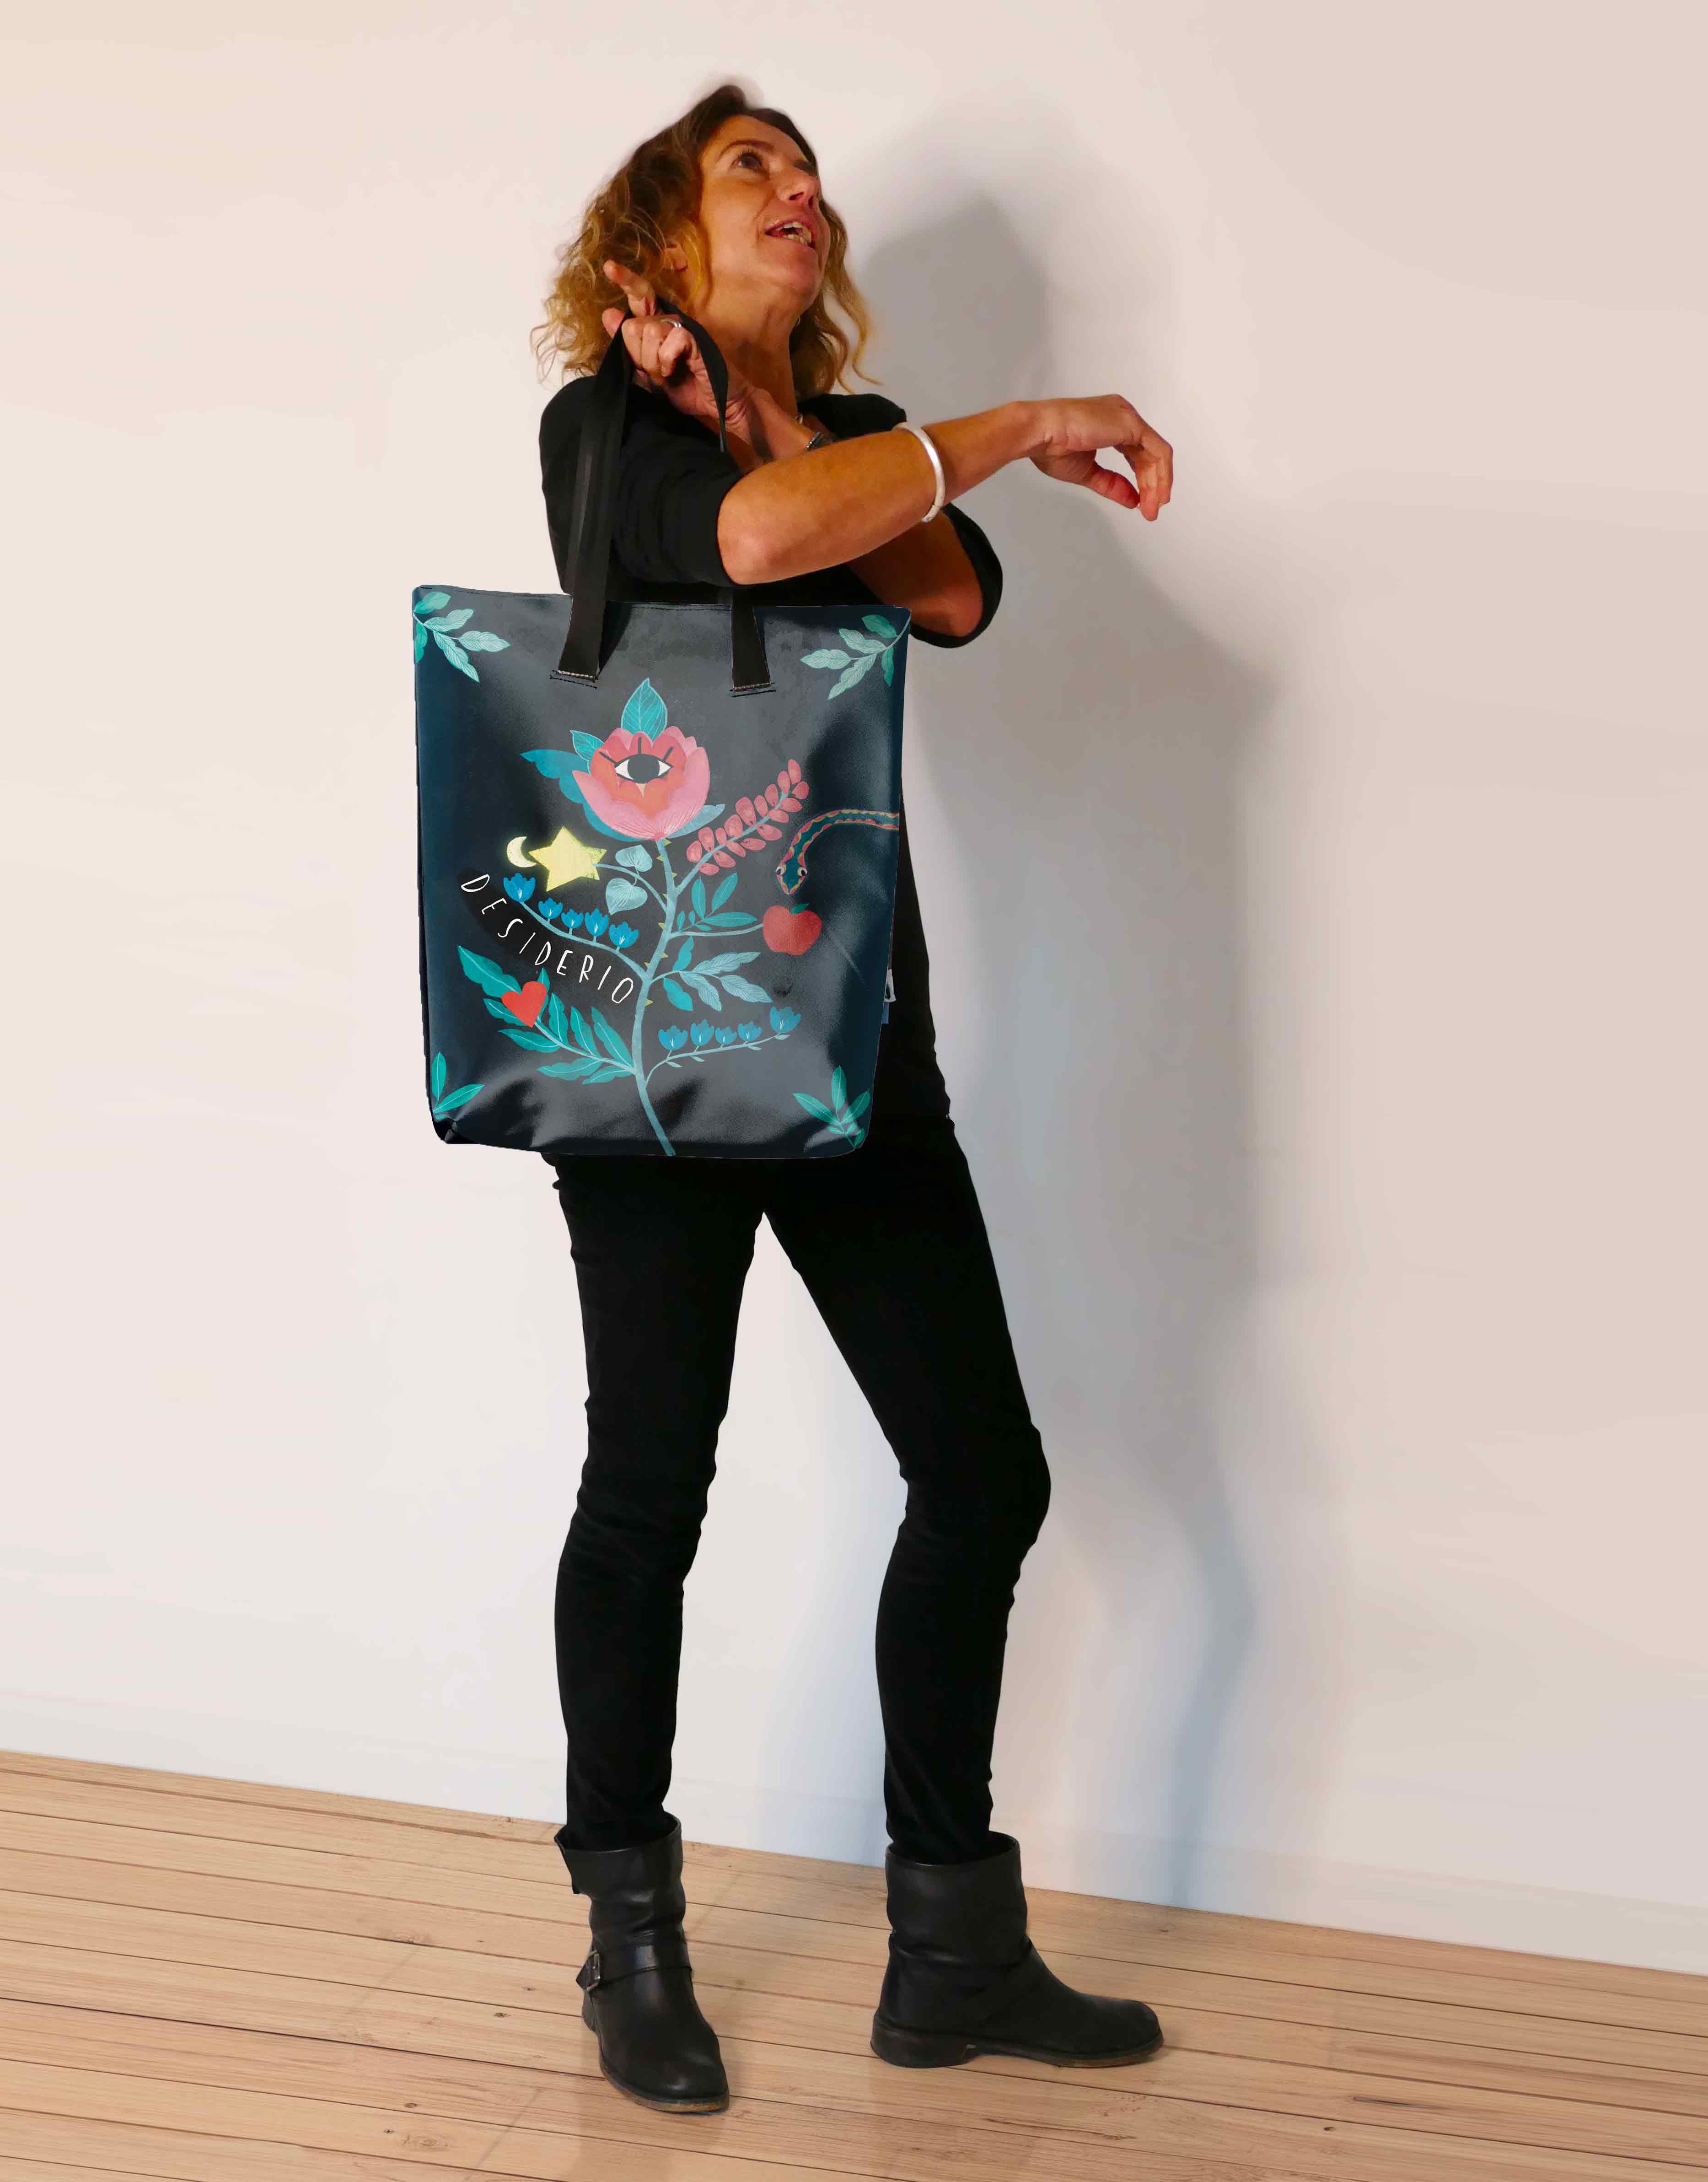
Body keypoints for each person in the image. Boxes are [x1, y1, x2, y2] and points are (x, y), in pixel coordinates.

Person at [528, 82, 1174, 2115]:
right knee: (652, 1485)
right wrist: (1026, 418)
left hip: (846, 1030)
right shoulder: (601, 433)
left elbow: (947, 595)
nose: (796, 190)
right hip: (650, 1041)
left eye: (806, 172)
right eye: (749, 169)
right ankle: (630, 1934)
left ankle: (950, 1947)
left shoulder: (842, 430)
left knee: (981, 1472)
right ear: (651, 244)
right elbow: (744, 547)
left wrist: (784, 421)